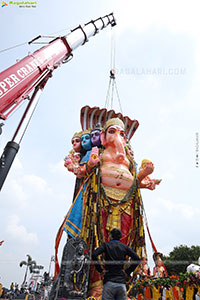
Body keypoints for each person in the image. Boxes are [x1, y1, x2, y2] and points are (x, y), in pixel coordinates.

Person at [92, 228, 141, 300]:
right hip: (121, 283)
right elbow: (137, 259)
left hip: (109, 282)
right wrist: (127, 271)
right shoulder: (124, 247)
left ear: (111, 236)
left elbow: (94, 255)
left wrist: (100, 270)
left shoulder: (106, 245)